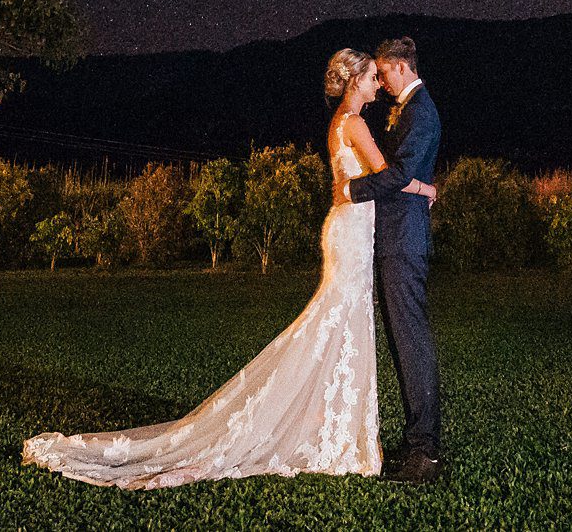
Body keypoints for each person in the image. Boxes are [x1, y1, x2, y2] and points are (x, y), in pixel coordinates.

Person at [20, 49, 396, 487]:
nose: (377, 85)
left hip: (347, 230)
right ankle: (332, 433)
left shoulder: (338, 123)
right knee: (337, 322)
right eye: (372, 77)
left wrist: (350, 187)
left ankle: (331, 427)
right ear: (355, 82)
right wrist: (421, 185)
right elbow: (385, 174)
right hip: (350, 232)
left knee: (339, 324)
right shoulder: (354, 122)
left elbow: (354, 182)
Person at [344, 35, 442, 483]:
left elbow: (399, 174)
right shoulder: (405, 107)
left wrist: (351, 191)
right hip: (393, 239)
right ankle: (415, 439)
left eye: (382, 74)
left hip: (405, 241)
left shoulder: (422, 112)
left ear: (400, 68)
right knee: (402, 344)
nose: (380, 84)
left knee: (412, 342)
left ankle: (425, 452)